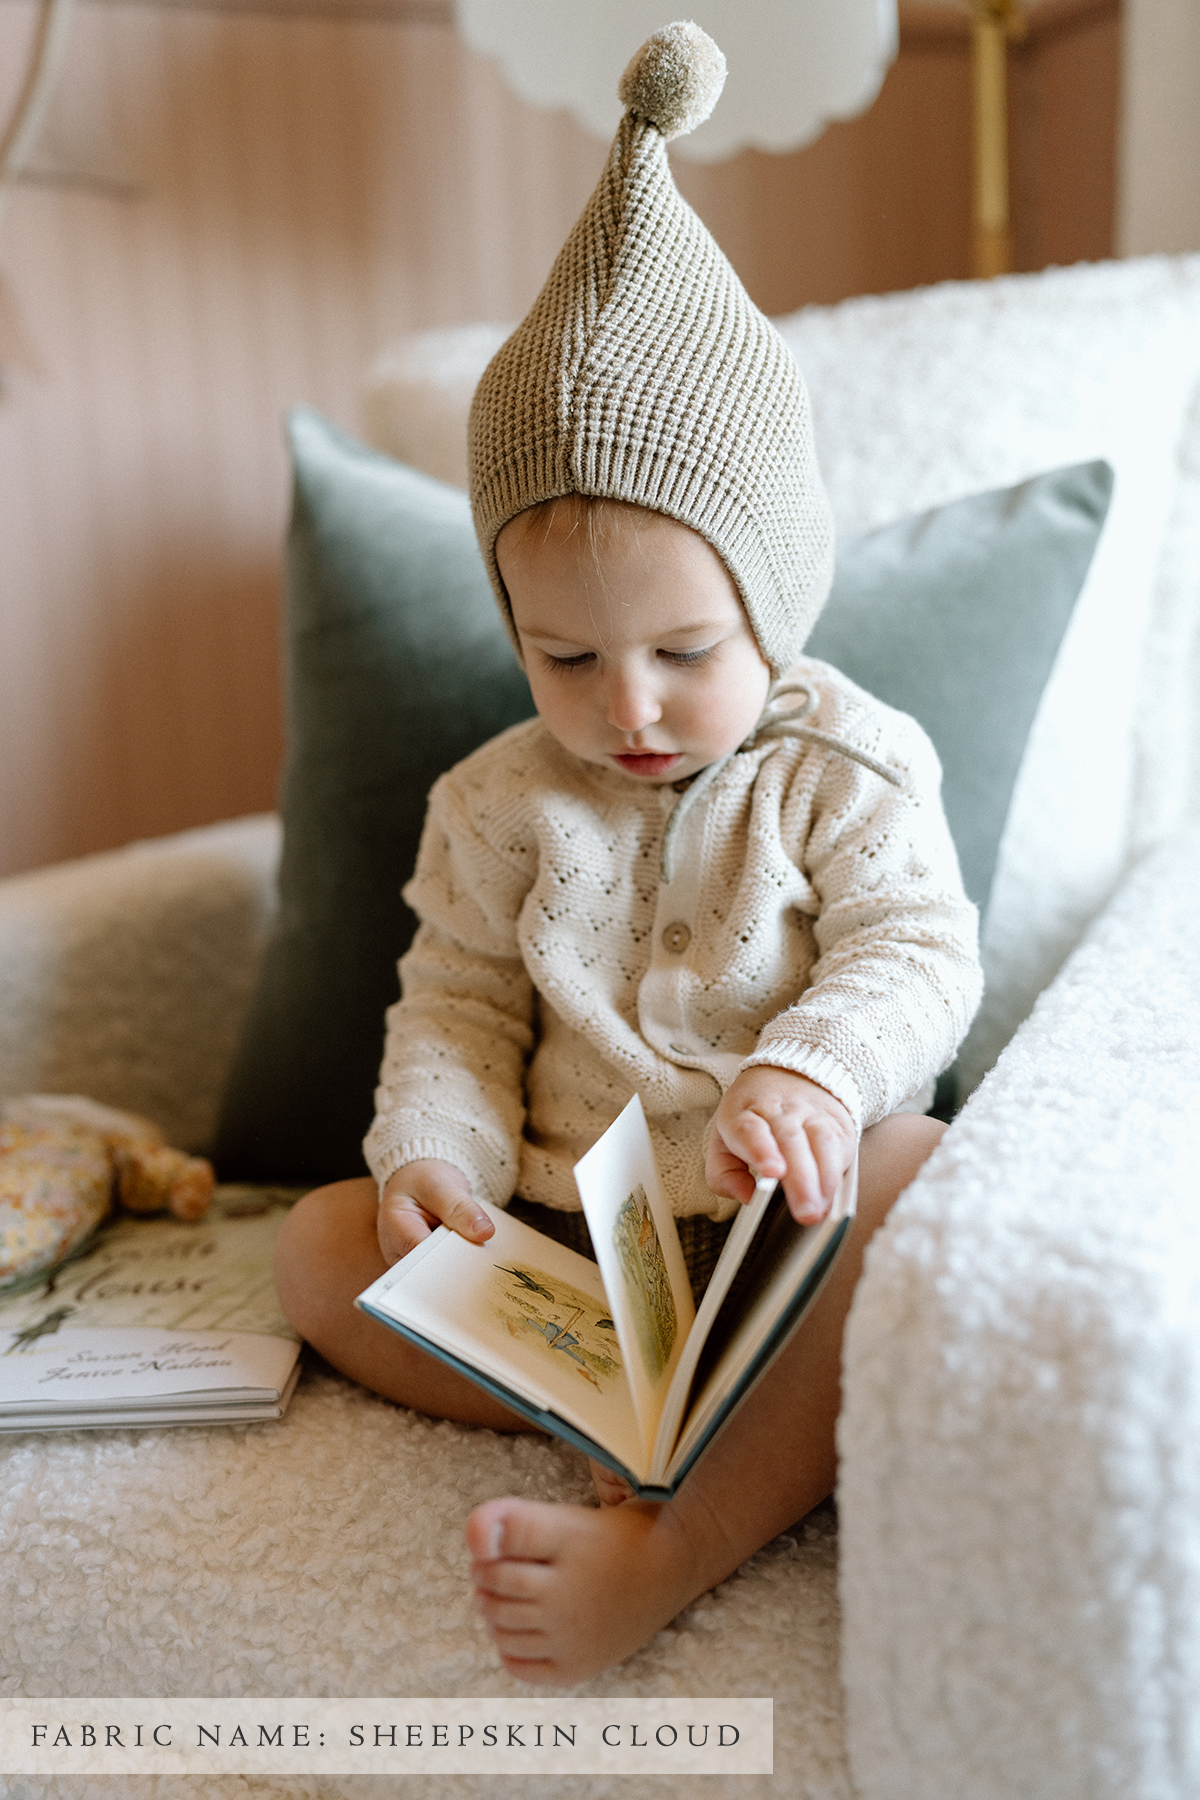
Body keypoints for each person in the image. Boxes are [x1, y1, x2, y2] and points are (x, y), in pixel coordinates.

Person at [274, 21, 983, 1687]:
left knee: (914, 1180)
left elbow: (920, 950)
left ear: (775, 593)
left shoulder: (844, 761)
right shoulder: (493, 803)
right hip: (567, 1255)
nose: (632, 707)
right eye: (566, 659)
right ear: (511, 628)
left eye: (681, 648)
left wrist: (812, 1071)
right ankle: (649, 1411)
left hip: (768, 1233)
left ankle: (668, 1540)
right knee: (313, 1250)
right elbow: (451, 1006)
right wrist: (428, 1163)